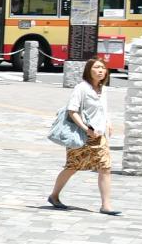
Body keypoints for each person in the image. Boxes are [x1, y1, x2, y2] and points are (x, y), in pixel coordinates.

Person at [50, 58, 120, 215]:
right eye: (96, 67)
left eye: (103, 67)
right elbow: (72, 111)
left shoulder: (103, 89)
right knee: (72, 167)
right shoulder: (81, 88)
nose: (101, 70)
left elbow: (104, 110)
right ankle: (54, 196)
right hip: (82, 136)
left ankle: (106, 205)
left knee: (105, 167)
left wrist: (108, 122)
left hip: (99, 136)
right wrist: (85, 128)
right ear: (89, 70)